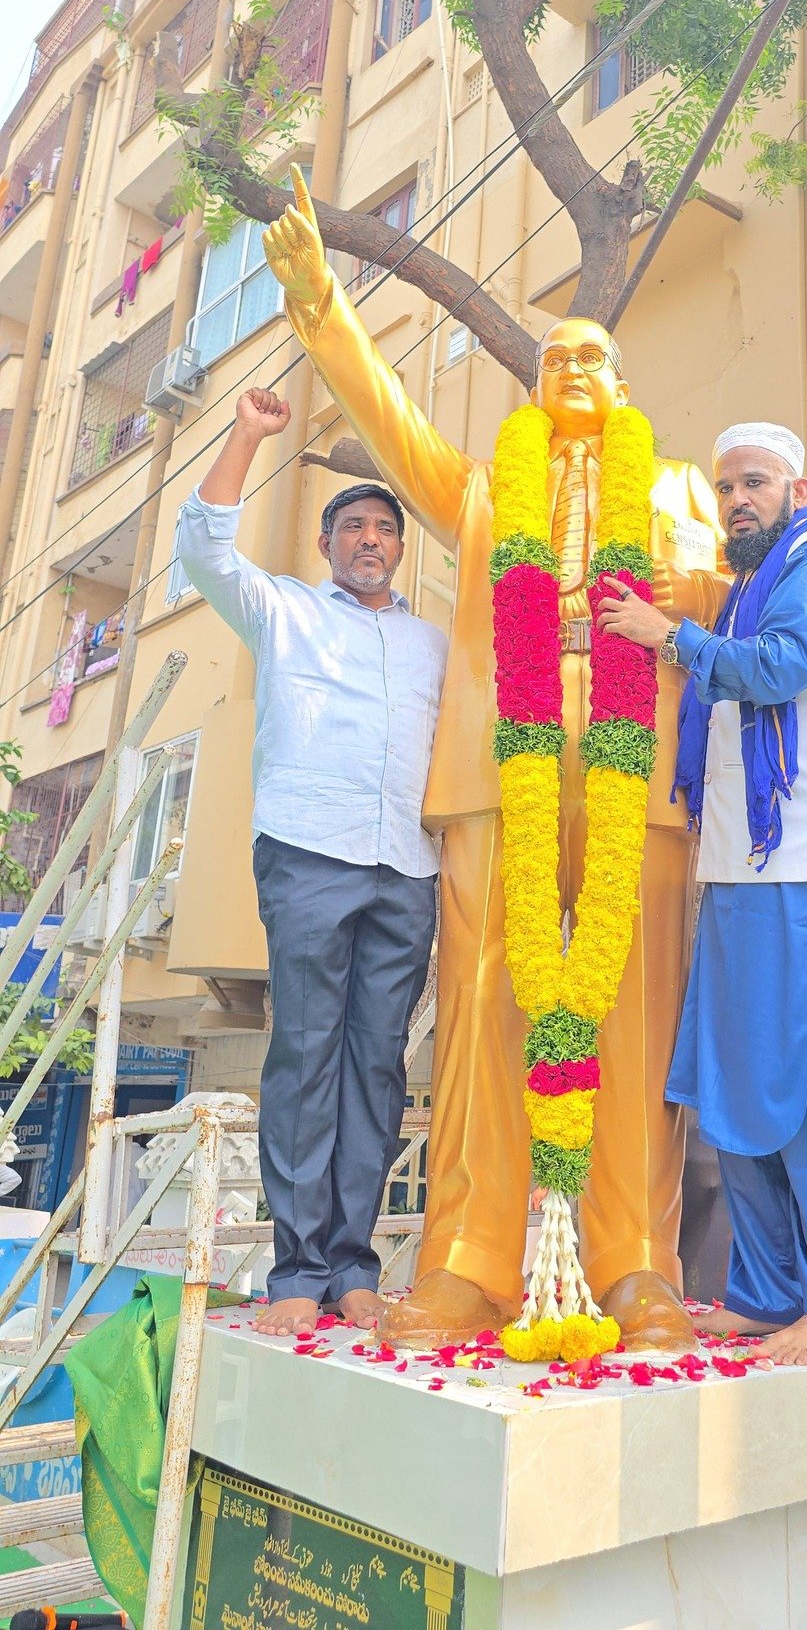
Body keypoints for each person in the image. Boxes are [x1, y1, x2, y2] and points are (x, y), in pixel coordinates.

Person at [259, 169, 728, 1351]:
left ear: (623, 388)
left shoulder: (680, 494)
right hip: (493, 780)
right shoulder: (475, 493)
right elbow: (387, 419)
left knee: (629, 1020)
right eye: (555, 354)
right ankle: (471, 1257)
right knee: (480, 1017)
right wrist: (323, 303)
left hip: (638, 788)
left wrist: (685, 589)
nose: (572, 366)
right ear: (533, 381)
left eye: (593, 357)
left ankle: (635, 1265)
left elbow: (733, 610)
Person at [599, 422, 807, 1366]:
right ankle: (766, 1294)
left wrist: (667, 637)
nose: (738, 500)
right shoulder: (740, 593)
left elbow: (787, 666)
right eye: (727, 486)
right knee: (736, 1097)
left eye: (755, 483)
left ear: (796, 490)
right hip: (739, 870)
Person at [176, 387, 448, 1338]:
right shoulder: (283, 611)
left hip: (407, 867)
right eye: (354, 527)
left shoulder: (432, 645)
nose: (370, 540)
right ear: (328, 545)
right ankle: (295, 1264)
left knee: (376, 1065)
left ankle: (351, 1264)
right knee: (304, 1054)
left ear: (399, 549)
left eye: (385, 529)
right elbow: (203, 549)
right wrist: (247, 435)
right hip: (308, 853)